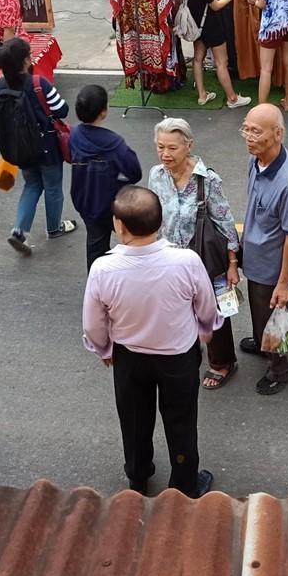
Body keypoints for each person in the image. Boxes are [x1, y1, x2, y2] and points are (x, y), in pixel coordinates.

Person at [82, 185, 218, 498]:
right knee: (181, 422)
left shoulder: (103, 268)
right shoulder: (186, 261)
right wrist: (204, 332)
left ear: (120, 225)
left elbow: (93, 323)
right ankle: (184, 483)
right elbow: (207, 308)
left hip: (129, 358)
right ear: (160, 222)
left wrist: (103, 349)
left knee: (134, 421)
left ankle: (138, 476)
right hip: (178, 357)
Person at [148, 117, 241, 390]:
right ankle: (186, 354)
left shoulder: (207, 180)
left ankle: (222, 363)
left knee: (214, 311)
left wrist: (232, 264)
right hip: (169, 262)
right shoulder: (156, 175)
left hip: (204, 261)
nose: (165, 154)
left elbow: (226, 222)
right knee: (177, 310)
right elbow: (154, 218)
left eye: (172, 148)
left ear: (188, 146)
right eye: (160, 147)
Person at [238, 104, 288, 395]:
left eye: (256, 131)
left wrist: (282, 283)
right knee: (259, 311)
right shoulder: (256, 161)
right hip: (255, 258)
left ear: (278, 134)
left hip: (274, 267)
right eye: (246, 128)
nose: (248, 136)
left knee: (277, 317)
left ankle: (284, 368)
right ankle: (261, 340)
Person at [0, 37, 75, 254]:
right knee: (53, 187)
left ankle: (19, 230)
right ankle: (54, 227)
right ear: (25, 61)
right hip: (47, 146)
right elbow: (62, 110)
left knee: (31, 185)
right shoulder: (38, 84)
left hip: (20, 148)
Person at [71, 85, 142, 269]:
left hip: (84, 200)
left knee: (95, 245)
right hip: (110, 202)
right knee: (132, 240)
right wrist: (118, 184)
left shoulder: (75, 134)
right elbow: (135, 172)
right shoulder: (113, 142)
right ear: (104, 112)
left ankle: (98, 287)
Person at [183, 0, 250, 109]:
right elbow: (216, 6)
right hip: (212, 27)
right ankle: (232, 98)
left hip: (197, 27)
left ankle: (202, 95)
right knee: (222, 63)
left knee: (198, 60)